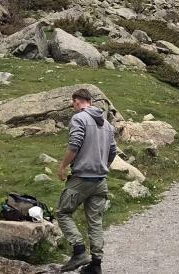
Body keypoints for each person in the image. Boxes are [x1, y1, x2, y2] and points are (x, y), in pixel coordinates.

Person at [56, 88, 117, 274]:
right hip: (101, 181)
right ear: (90, 101)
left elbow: (74, 144)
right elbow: (113, 151)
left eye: (73, 103)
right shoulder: (106, 124)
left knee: (63, 213)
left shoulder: (79, 118)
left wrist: (62, 166)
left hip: (82, 178)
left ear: (77, 101)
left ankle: (79, 251)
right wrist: (103, 165)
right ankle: (96, 264)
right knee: (95, 222)